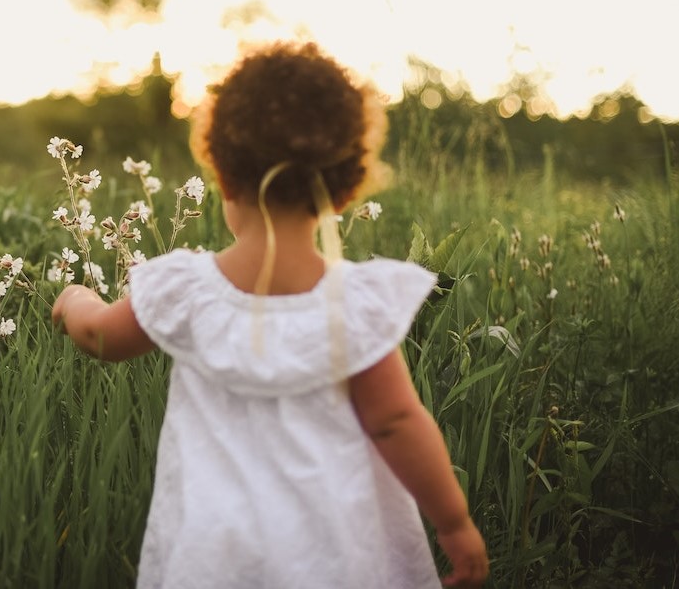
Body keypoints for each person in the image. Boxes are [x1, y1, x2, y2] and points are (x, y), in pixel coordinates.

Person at [51, 40, 488, 588]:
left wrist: (73, 300)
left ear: (223, 174)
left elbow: (98, 336)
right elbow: (398, 421)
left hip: (215, 556)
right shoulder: (352, 306)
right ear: (343, 191)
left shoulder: (188, 290)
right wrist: (454, 525)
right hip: (334, 557)